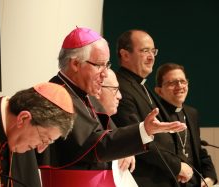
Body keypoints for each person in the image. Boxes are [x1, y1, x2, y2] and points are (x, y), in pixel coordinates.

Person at [37, 27, 186, 187]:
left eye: (106, 65)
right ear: (75, 64)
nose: (105, 73)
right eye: (99, 65)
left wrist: (125, 150)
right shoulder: (57, 95)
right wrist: (143, 131)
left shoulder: (85, 95)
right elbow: (94, 145)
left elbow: (111, 135)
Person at [111, 29, 186, 187]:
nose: (151, 57)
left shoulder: (140, 86)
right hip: (146, 179)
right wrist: (176, 166)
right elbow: (136, 136)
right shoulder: (121, 87)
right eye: (145, 51)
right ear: (125, 54)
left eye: (153, 51)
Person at [0, 82, 75, 187]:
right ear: (23, 118)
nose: (40, 150)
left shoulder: (23, 134)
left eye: (49, 142)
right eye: (43, 139)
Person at [154, 63, 217, 187]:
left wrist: (210, 177)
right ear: (159, 91)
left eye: (183, 81)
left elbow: (199, 151)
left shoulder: (191, 113)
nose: (179, 86)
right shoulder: (155, 116)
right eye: (172, 83)